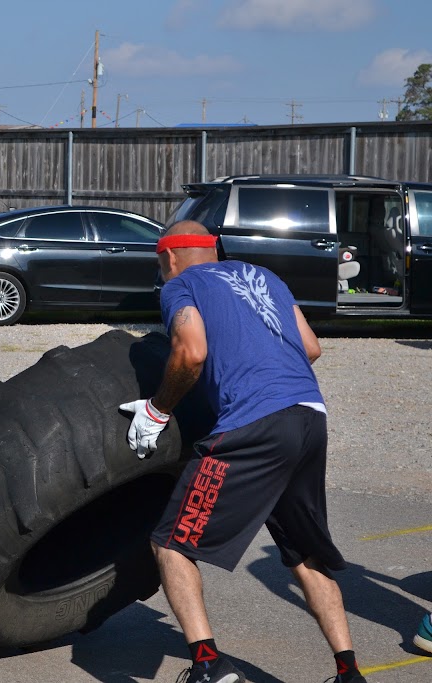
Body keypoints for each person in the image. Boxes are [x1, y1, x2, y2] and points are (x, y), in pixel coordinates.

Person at [119, 220, 366, 683]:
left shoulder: (182, 285)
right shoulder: (264, 276)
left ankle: (209, 667)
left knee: (171, 543)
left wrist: (158, 410)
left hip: (255, 426)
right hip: (310, 417)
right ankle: (349, 671)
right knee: (302, 556)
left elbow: (190, 353)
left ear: (169, 257)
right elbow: (310, 347)